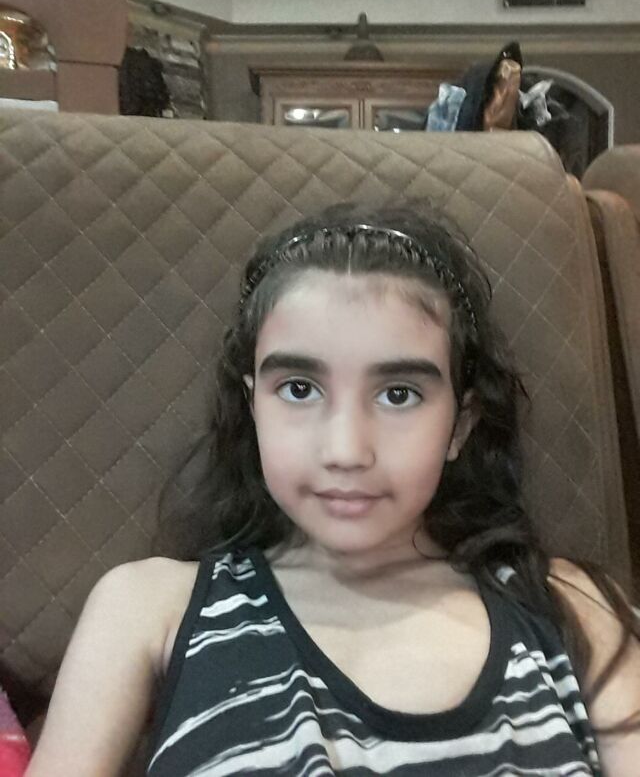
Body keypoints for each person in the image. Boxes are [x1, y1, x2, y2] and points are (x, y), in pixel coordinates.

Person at [27, 201, 640, 776]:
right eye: (299, 389)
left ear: (460, 425)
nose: (346, 451)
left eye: (399, 394)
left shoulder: (574, 610)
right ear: (253, 406)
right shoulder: (148, 610)